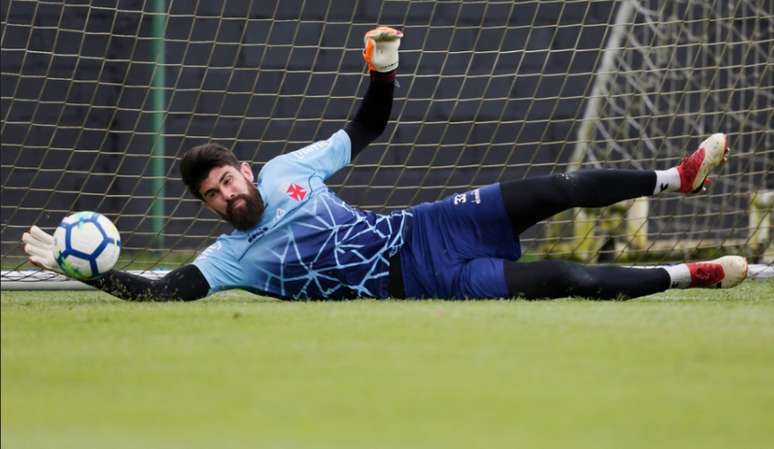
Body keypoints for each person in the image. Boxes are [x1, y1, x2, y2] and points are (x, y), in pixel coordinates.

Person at [22, 26, 748, 302]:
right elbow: (159, 293)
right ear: (210, 207)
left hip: (424, 225)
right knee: (562, 276)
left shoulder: (286, 170)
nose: (227, 196)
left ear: (247, 168)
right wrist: (79, 268)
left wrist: (384, 68)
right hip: (428, 278)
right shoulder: (229, 259)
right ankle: (694, 273)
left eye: (228, 180)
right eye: (214, 196)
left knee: (555, 190)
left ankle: (674, 179)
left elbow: (365, 127)